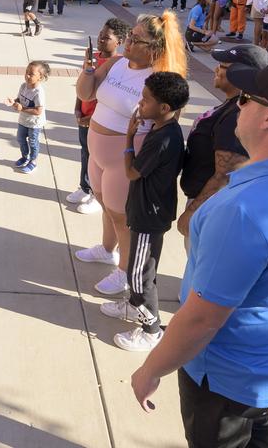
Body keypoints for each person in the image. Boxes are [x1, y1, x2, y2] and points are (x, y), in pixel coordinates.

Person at [130, 57, 268, 447]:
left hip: (223, 373)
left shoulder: (241, 211)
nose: (238, 104)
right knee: (256, 426)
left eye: (246, 98)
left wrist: (151, 369)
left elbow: (202, 320)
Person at [75, 13, 187, 296]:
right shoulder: (116, 63)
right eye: (129, 36)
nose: (128, 41)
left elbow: (165, 124)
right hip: (97, 151)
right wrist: (88, 70)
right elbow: (87, 94)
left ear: (155, 49)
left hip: (124, 156)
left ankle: (125, 270)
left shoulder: (160, 80)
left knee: (121, 215)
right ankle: (106, 249)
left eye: (136, 39)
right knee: (104, 204)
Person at [103, 71, 190, 351]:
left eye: (146, 99)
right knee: (140, 270)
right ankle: (132, 307)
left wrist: (128, 138)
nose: (140, 103)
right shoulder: (162, 128)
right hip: (147, 210)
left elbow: (131, 172)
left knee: (139, 276)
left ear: (164, 108)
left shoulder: (163, 138)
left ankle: (151, 328)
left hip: (149, 216)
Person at [177, 44, 268, 242]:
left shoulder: (237, 116)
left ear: (242, 75)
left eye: (223, 66)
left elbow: (225, 175)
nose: (215, 69)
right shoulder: (233, 106)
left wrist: (192, 213)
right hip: (206, 201)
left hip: (210, 208)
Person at [69, 18, 130, 213]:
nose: (101, 40)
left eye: (106, 38)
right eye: (100, 36)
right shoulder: (92, 57)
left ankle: (97, 195)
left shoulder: (118, 64)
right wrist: (78, 107)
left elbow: (109, 96)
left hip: (98, 121)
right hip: (84, 117)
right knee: (85, 153)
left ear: (118, 42)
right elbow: (82, 85)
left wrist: (91, 117)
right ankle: (84, 186)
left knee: (98, 159)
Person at [7, 61, 51, 174]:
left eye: (31, 74)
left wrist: (22, 109)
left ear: (40, 77)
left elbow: (38, 111)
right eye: (26, 72)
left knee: (33, 142)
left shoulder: (38, 92)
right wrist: (14, 101)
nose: (27, 75)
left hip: (34, 123)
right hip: (23, 120)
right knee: (20, 139)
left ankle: (33, 161)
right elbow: (20, 99)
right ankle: (25, 157)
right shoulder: (23, 86)